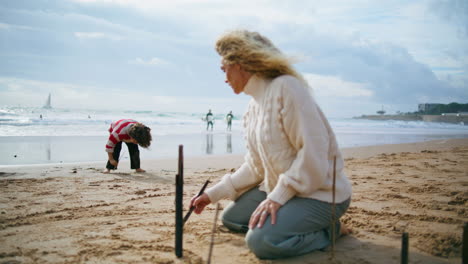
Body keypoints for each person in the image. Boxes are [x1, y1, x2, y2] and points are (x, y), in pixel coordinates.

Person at [189, 30, 352, 259]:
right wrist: (212, 194)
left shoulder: (287, 88)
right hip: (284, 189)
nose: (224, 76)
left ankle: (330, 230)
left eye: (224, 68)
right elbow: (256, 167)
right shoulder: (252, 108)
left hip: (320, 193)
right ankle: (290, 221)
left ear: (241, 63)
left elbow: (314, 154)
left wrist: (277, 197)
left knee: (261, 240)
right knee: (231, 218)